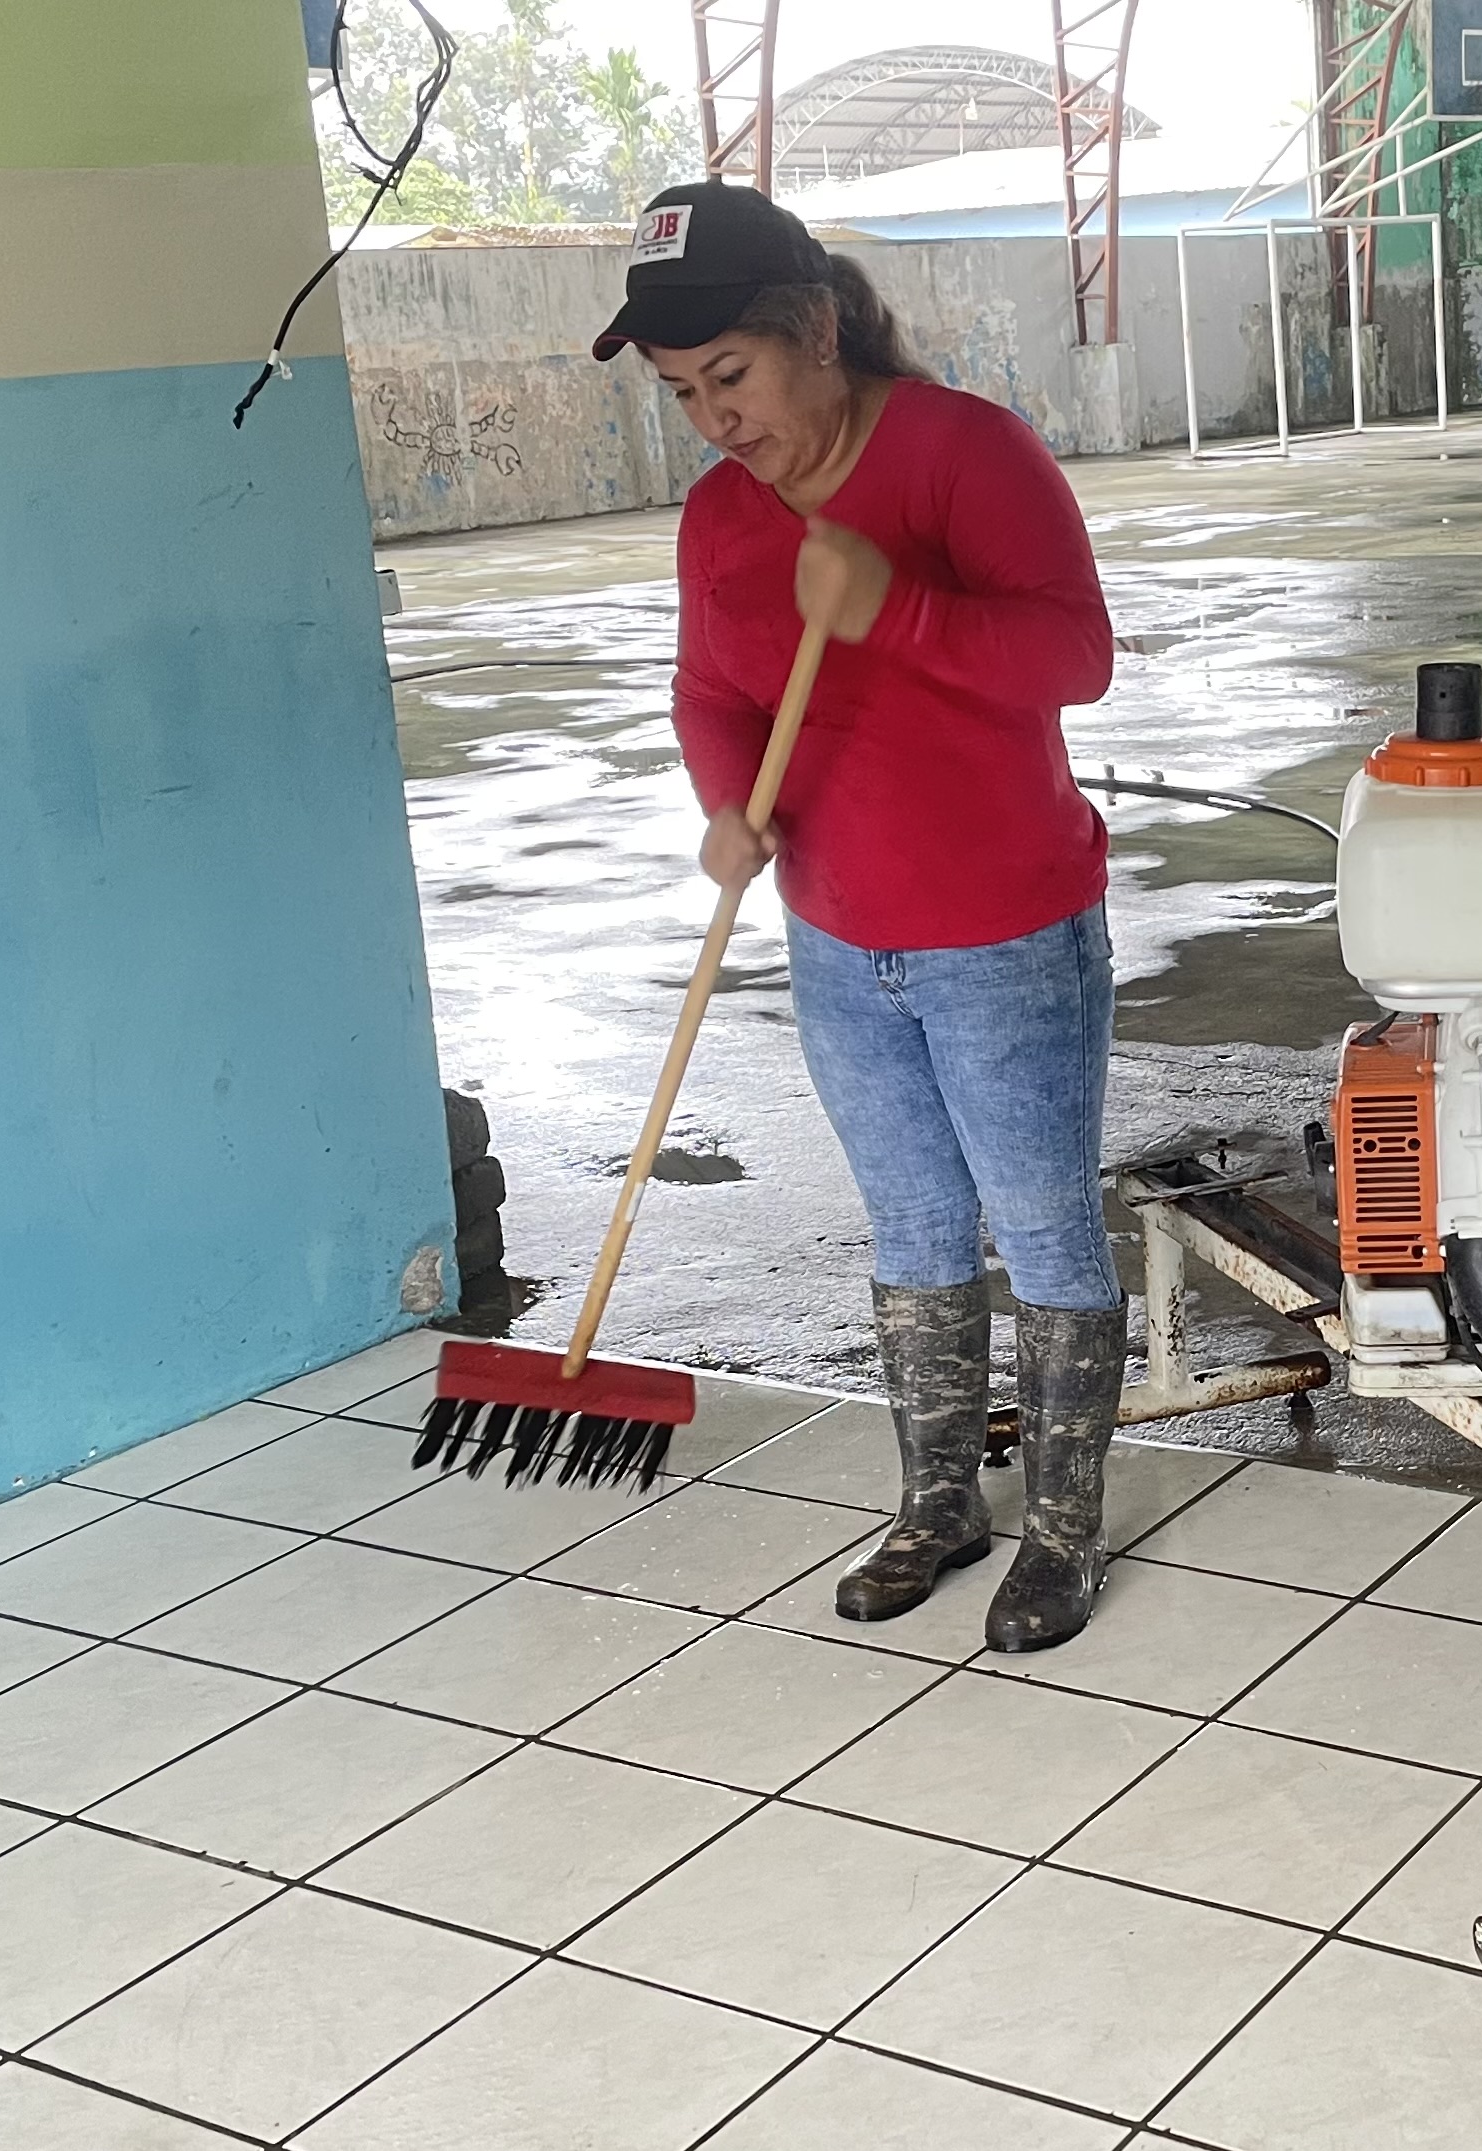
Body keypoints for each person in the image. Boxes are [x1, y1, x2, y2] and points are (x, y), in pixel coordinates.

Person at [591, 182, 1129, 1652]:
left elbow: (1076, 657)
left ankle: (1063, 1535)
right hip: (837, 940)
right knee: (911, 1226)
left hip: (1004, 935)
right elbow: (712, 692)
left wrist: (897, 605)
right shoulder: (721, 517)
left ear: (817, 331)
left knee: (1045, 1232)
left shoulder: (966, 453)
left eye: (732, 376)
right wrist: (726, 801)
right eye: (682, 392)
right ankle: (940, 1505)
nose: (714, 420)